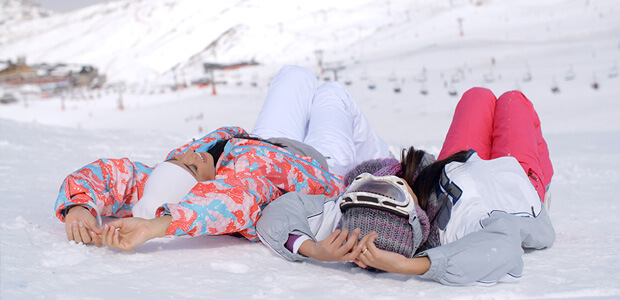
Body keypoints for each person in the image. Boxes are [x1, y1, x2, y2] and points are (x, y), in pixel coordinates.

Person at [55, 65, 390, 251]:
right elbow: (229, 203)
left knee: (295, 74)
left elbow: (116, 175)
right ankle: (386, 164)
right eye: (191, 167)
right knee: (333, 94)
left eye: (180, 159)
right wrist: (156, 227)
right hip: (322, 162)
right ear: (205, 187)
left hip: (264, 140)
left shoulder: (164, 178)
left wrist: (80, 206)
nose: (194, 154)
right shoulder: (238, 189)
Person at [256, 87, 555, 285]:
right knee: (515, 102)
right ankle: (544, 177)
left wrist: (313, 248)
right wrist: (411, 266)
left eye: (367, 187)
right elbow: (502, 248)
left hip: (455, 164)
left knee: (476, 97)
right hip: (514, 179)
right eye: (391, 192)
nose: (386, 180)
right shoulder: (454, 229)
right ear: (414, 219)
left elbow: (277, 213)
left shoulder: (346, 221)